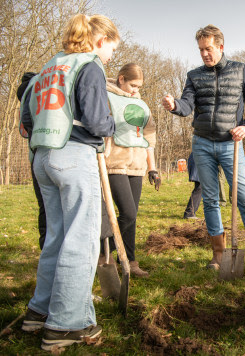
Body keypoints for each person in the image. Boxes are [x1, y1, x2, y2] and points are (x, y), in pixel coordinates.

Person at [19, 14, 119, 350]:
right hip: (74, 155)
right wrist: (110, 127)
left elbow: (26, 115)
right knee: (81, 240)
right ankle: (66, 324)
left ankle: (39, 312)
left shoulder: (52, 65)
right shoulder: (89, 64)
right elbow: (94, 118)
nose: (109, 57)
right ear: (100, 41)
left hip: (43, 157)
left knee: (57, 238)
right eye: (110, 49)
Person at [161, 24, 245, 274]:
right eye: (201, 49)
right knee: (211, 200)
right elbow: (186, 105)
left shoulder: (240, 70)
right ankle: (218, 255)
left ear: (221, 47)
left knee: (244, 197)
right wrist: (173, 105)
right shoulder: (194, 75)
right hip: (202, 143)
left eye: (209, 48)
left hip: (230, 144)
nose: (204, 53)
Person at [100, 63, 160, 278]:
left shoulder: (141, 104)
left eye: (139, 86)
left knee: (131, 217)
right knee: (128, 212)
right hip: (114, 164)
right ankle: (104, 254)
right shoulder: (105, 97)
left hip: (137, 166)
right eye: (133, 85)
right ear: (121, 78)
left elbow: (149, 138)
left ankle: (130, 262)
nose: (135, 90)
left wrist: (152, 168)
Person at [17, 72, 46, 250]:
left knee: (44, 206)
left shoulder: (29, 93)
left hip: (35, 155)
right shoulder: (40, 88)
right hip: (53, 154)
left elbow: (26, 123)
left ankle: (46, 251)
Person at [184, 152, 202, 219]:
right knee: (199, 188)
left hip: (199, 161)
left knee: (200, 188)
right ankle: (189, 213)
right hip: (199, 162)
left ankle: (190, 212)